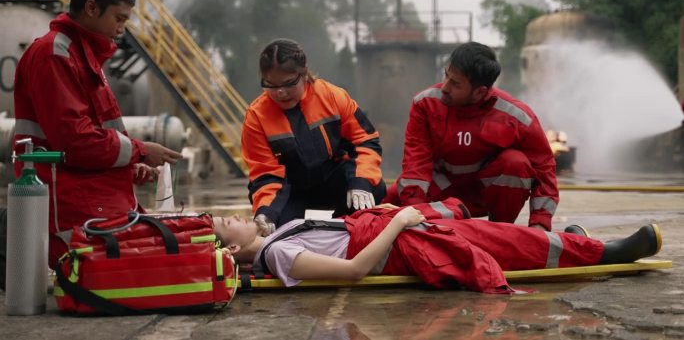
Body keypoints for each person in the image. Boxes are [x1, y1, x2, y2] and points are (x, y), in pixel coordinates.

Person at [11, 0, 183, 270]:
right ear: (91, 8)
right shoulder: (55, 54)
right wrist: (141, 150)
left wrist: (128, 165)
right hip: (72, 204)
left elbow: (98, 134)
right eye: (119, 18)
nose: (121, 29)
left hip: (94, 197)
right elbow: (76, 142)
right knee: (158, 262)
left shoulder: (83, 55)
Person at [213, 198, 662, 293]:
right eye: (223, 226)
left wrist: (389, 212)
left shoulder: (279, 232)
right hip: (397, 245)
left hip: (389, 227)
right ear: (231, 251)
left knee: (494, 232)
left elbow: (340, 228)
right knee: (496, 241)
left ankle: (571, 245)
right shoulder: (278, 254)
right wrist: (400, 223)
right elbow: (354, 270)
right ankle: (609, 252)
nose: (229, 217)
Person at [384, 42, 558, 231]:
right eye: (446, 76)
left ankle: (500, 231)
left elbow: (544, 168)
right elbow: (416, 163)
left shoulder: (517, 117)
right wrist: (413, 211)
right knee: (388, 199)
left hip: (482, 196)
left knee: (515, 163)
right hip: (441, 190)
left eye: (456, 84)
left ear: (479, 92)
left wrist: (540, 224)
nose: (445, 87)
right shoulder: (425, 104)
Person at [241, 38, 386, 231]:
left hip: (332, 181)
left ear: (304, 73)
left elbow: (366, 142)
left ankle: (342, 231)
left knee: (373, 189)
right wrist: (266, 212)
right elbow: (265, 173)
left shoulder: (333, 97)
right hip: (290, 191)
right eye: (271, 85)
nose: (281, 93)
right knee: (278, 229)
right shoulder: (256, 116)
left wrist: (361, 182)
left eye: (288, 83)